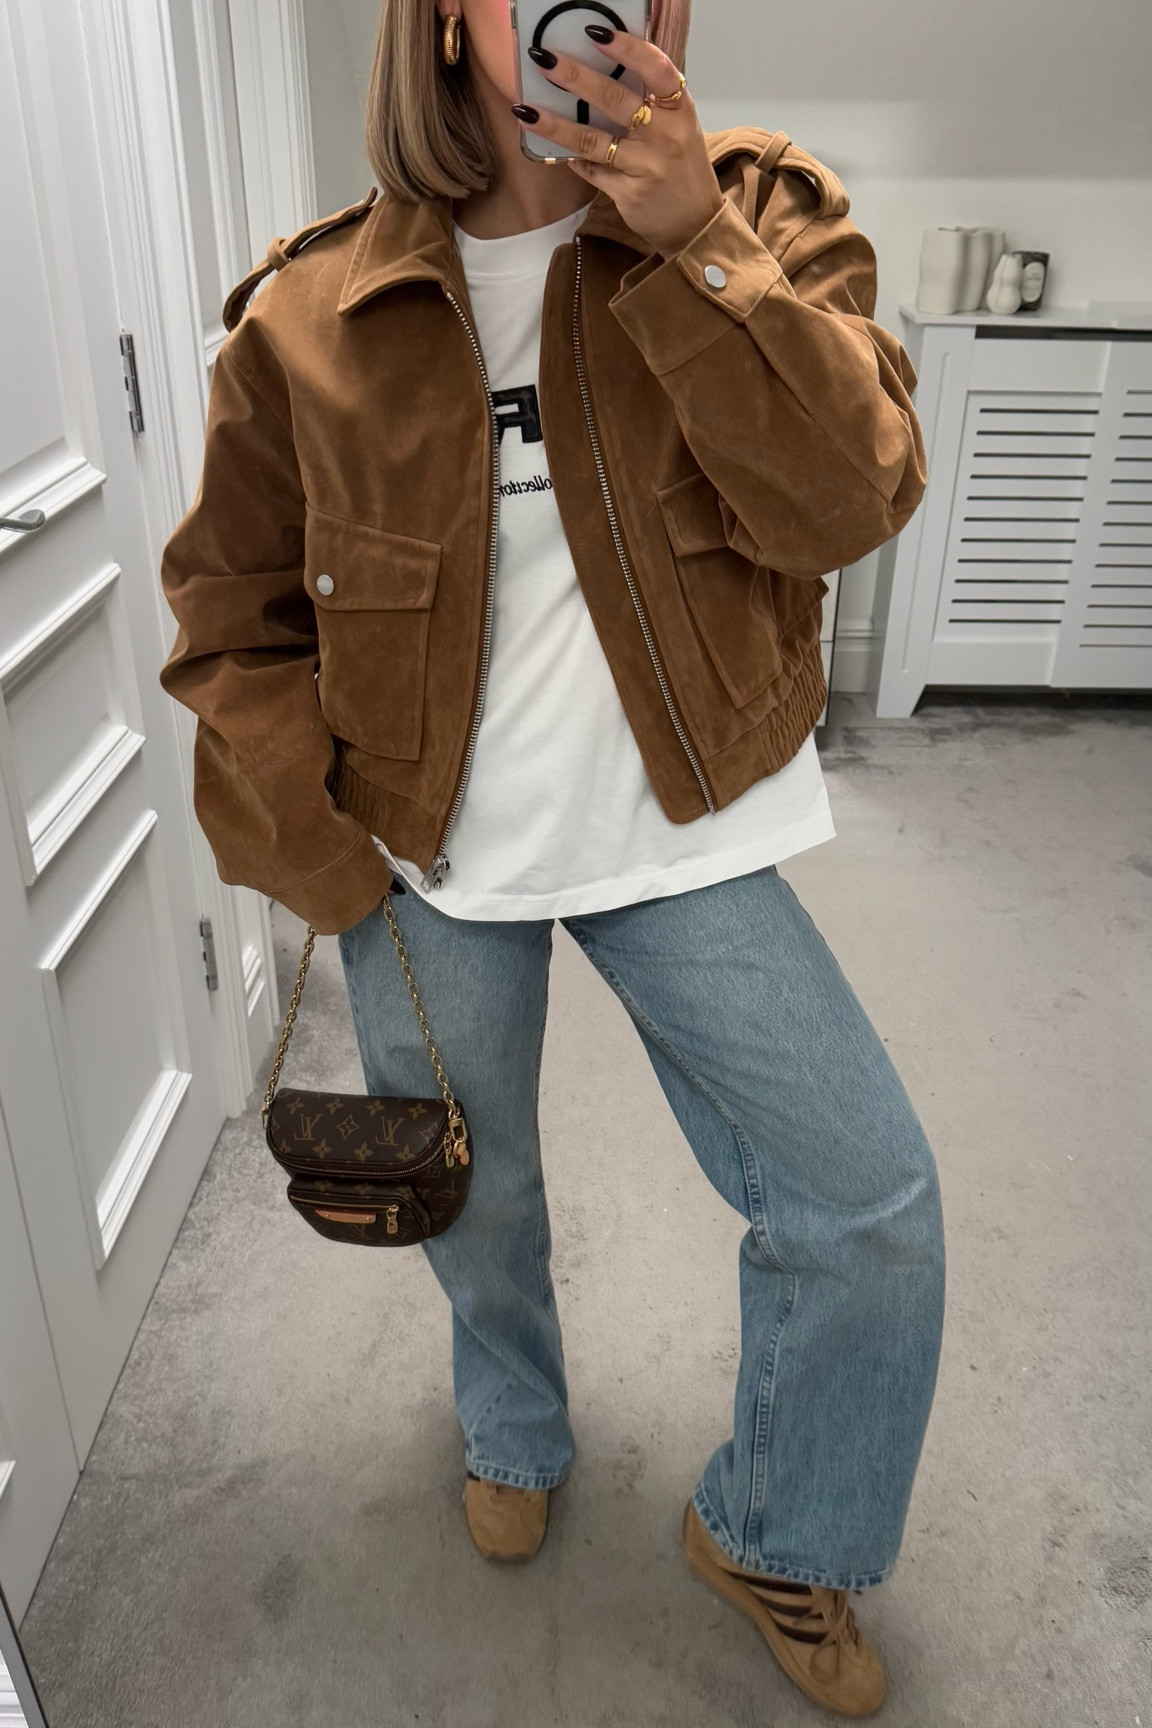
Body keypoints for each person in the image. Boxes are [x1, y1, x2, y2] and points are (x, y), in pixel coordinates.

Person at [158, 0, 945, 1715]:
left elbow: (851, 505)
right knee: (480, 1185)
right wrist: (326, 853)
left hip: (688, 823)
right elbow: (230, 614)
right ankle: (512, 1423)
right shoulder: (309, 313)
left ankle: (776, 1528)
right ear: (451, 18)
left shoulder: (766, 212)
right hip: (428, 849)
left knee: (870, 1202)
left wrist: (695, 243)